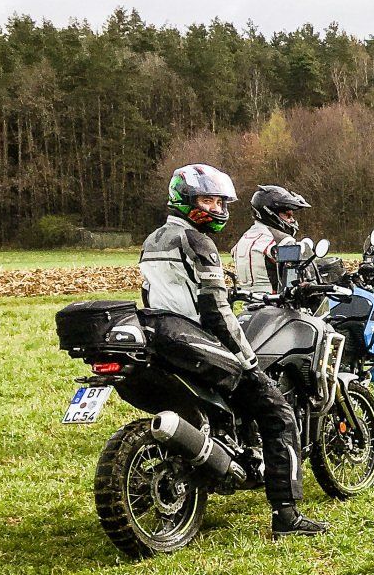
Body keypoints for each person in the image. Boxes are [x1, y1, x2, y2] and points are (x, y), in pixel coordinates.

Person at [138, 164, 327, 539]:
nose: (216, 208)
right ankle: (286, 516)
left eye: (219, 200)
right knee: (278, 411)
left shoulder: (154, 239)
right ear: (185, 200)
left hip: (161, 336)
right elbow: (216, 312)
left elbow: (151, 294)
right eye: (207, 199)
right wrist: (249, 361)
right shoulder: (197, 242)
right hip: (193, 339)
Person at [232, 184, 312, 295]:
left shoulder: (243, 239)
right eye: (288, 216)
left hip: (246, 304)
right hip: (275, 305)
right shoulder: (282, 240)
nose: (292, 220)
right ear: (270, 213)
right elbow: (294, 281)